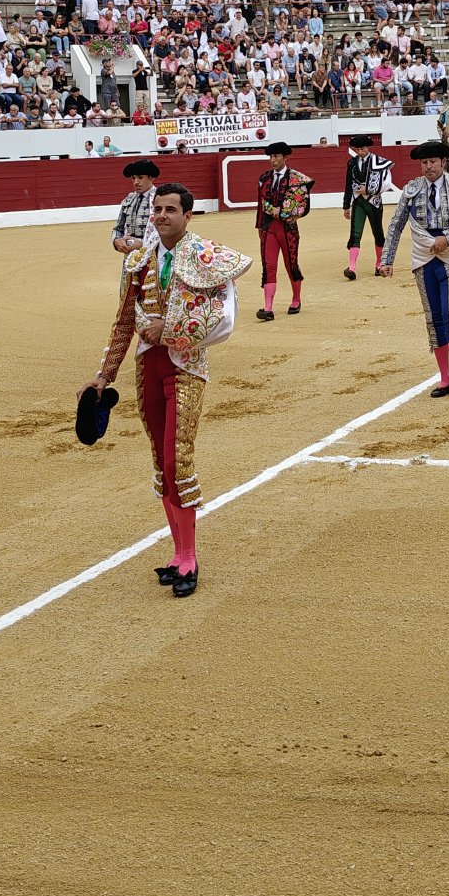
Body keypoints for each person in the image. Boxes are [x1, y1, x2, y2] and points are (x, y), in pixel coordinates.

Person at [83, 182, 251, 598]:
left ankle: (190, 558)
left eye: (169, 209)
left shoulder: (208, 258)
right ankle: (177, 555)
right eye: (157, 209)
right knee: (161, 458)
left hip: (185, 367)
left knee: (179, 458)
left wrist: (170, 331)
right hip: (148, 367)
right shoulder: (139, 261)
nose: (160, 216)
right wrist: (104, 375)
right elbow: (124, 322)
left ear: (187, 215)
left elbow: (224, 320)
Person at [381, 140, 449, 399]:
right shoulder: (412, 189)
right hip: (423, 259)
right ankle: (445, 377)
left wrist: (447, 238)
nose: (428, 167)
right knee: (434, 317)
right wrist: (387, 259)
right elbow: (396, 225)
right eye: (424, 163)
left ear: (443, 162)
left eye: (433, 162)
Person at [253, 140, 313, 319]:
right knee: (269, 266)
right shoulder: (264, 178)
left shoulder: (297, 179)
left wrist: (282, 212)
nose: (273, 160)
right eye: (271, 157)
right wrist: (259, 225)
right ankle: (268, 308)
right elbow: (260, 204)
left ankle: (296, 299)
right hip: (269, 227)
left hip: (288, 228)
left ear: (285, 157)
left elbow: (302, 206)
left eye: (276, 156)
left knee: (290, 264)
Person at [340, 134, 395, 280]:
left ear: (367, 147)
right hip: (358, 201)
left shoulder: (378, 161)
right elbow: (348, 184)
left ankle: (378, 265)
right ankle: (351, 268)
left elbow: (386, 182)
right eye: (357, 149)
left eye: (362, 148)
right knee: (355, 233)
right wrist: (346, 205)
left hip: (373, 202)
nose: (360, 152)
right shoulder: (351, 163)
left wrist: (369, 190)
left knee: (377, 233)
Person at [112, 158, 160, 254]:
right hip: (130, 255)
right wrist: (116, 240)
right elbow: (118, 228)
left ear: (151, 177)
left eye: (140, 177)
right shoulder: (129, 200)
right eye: (133, 178)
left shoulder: (161, 198)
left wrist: (143, 244)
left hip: (155, 255)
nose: (136, 182)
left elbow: (167, 232)